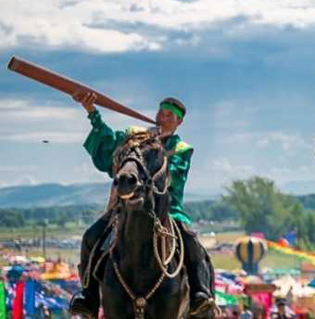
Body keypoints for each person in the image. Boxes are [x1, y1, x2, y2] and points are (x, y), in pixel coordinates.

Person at [68, 93, 216, 318]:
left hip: (167, 209)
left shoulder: (181, 149)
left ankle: (200, 295)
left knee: (193, 244)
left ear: (179, 122)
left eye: (169, 115)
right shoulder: (135, 137)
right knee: (91, 236)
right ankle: (88, 298)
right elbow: (109, 146)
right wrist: (92, 112)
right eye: (161, 112)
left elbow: (171, 178)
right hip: (126, 207)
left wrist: (158, 149)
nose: (162, 117)